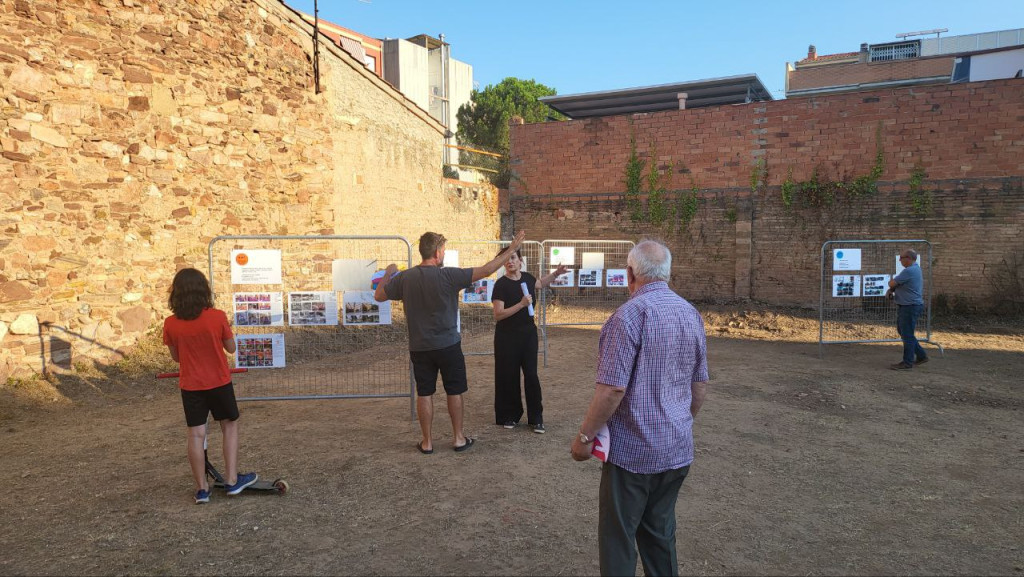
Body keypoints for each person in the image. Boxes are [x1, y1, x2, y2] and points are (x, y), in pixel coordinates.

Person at [570, 240, 709, 577]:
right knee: (660, 534)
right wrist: (677, 422)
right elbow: (699, 387)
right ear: (667, 273)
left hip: (633, 455)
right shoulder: (690, 314)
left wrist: (584, 437)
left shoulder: (629, 316)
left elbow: (612, 390)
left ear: (630, 274)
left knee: (618, 539)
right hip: (676, 449)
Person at [375, 230, 526, 454]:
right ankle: (458, 438)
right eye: (443, 250)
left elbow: (379, 295)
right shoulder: (448, 276)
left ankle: (426, 442)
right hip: (448, 345)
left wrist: (389, 272)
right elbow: (486, 270)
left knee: (424, 393)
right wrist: (511, 250)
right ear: (437, 253)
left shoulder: (406, 278)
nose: (443, 254)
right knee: (454, 391)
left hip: (420, 346)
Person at [162, 268, 257, 504]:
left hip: (191, 384)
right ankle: (233, 480)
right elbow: (231, 348)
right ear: (204, 291)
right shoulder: (217, 317)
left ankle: (202, 489)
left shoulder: (171, 323)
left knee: (196, 434)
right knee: (229, 426)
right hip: (219, 381)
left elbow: (176, 357)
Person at [490, 248, 567, 433]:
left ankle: (536, 418)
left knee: (531, 375)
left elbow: (540, 283)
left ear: (520, 260)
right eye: (506, 259)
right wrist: (521, 305)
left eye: (513, 258)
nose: (510, 262)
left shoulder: (528, 278)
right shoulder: (500, 285)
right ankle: (510, 415)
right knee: (508, 376)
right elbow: (498, 314)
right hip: (506, 337)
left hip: (527, 335)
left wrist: (556, 273)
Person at [887, 249, 928, 370]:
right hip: (909, 305)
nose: (900, 260)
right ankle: (921, 356)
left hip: (909, 306)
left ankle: (907, 363)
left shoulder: (909, 270)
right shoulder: (914, 269)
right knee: (904, 331)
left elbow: (891, 283)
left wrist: (892, 287)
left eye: (902, 257)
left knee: (907, 334)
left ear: (909, 258)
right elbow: (897, 285)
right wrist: (893, 289)